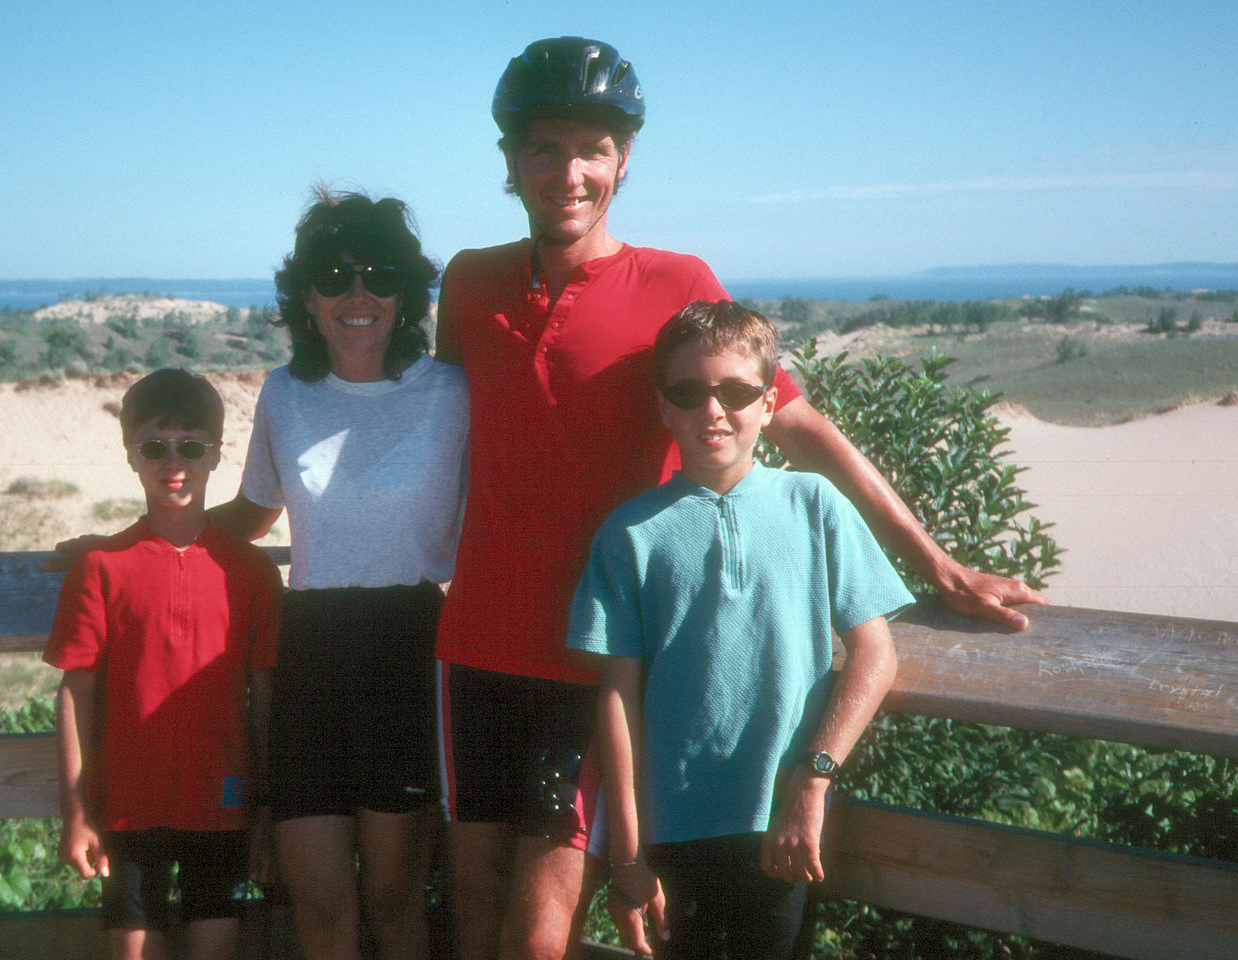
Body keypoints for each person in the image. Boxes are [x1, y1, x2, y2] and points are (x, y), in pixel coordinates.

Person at [432, 36, 1045, 960]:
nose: (569, 171)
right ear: (511, 162)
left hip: (599, 660)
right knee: (472, 906)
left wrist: (935, 562)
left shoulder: (675, 283)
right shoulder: (467, 283)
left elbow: (795, 423)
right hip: (476, 645)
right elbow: (431, 426)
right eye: (545, 148)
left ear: (623, 162)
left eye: (593, 149)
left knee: (536, 932)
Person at [568, 300, 912, 959]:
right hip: (672, 832)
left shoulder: (813, 503)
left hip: (784, 822)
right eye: (689, 392)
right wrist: (629, 858)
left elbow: (875, 653)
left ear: (767, 402)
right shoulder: (630, 533)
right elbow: (617, 696)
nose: (713, 411)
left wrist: (812, 781)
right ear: (664, 406)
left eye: (736, 391)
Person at [206, 189, 468, 960]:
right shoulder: (286, 395)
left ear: (406, 293)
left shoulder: (452, 393)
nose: (358, 293)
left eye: (380, 273)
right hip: (310, 654)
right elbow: (250, 518)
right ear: (308, 297)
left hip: (409, 649)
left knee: (394, 902)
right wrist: (127, 542)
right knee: (321, 908)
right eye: (335, 273)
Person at [47, 368, 282, 960]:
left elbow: (267, 700)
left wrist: (267, 811)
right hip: (126, 808)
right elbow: (75, 694)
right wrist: (77, 813)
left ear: (215, 454)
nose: (172, 463)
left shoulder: (251, 572)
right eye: (154, 447)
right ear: (131, 455)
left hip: (223, 807)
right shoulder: (100, 567)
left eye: (191, 447)